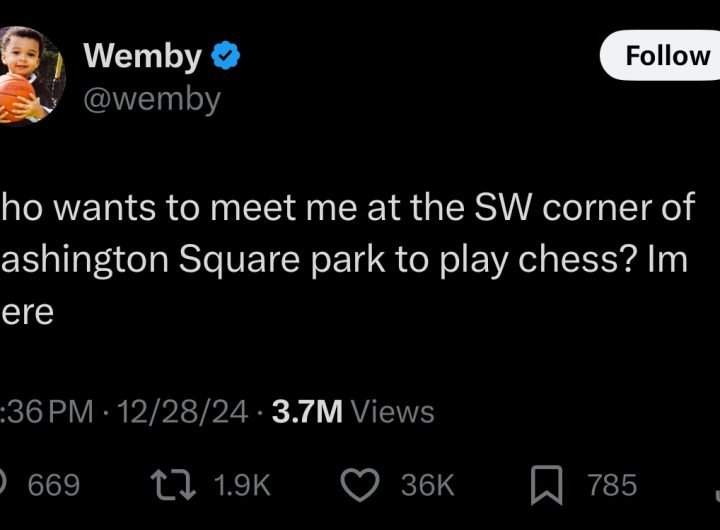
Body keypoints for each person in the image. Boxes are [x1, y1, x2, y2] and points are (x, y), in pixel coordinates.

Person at [0, 26, 53, 125]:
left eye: (31, 54)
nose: (23, 58)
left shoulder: (42, 90)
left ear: (37, 62)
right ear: (4, 57)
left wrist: (41, 113)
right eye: (16, 52)